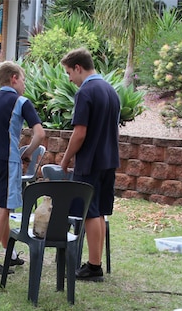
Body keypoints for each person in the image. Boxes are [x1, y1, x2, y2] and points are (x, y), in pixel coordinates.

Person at [0, 61, 46, 276]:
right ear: (14, 78)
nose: (24, 85)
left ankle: (10, 254)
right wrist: (27, 151)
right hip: (8, 161)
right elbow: (40, 134)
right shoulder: (22, 101)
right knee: (3, 210)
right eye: (23, 80)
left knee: (2, 208)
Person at [58, 48, 120, 282]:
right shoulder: (110, 90)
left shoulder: (86, 92)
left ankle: (94, 266)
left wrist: (65, 160)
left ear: (78, 68)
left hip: (90, 161)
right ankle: (96, 262)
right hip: (109, 159)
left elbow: (80, 133)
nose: (69, 79)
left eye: (68, 73)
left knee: (89, 213)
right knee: (100, 212)